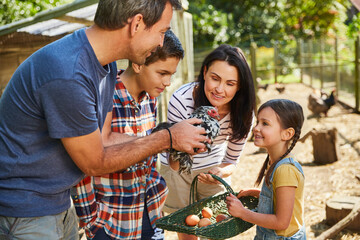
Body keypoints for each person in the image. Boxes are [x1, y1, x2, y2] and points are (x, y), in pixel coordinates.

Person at [0, 1, 210, 239]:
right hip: (25, 211)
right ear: (137, 24)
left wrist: (168, 139)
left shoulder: (104, 65)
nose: (162, 42)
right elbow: (94, 162)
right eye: (161, 32)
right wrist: (167, 138)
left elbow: (105, 137)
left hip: (57, 201)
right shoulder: (69, 73)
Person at [73, 30, 184, 240]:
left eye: (171, 74)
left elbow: (150, 151)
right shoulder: (104, 96)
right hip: (111, 222)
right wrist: (92, 223)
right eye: (162, 73)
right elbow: (83, 165)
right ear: (138, 64)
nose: (168, 82)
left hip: (150, 213)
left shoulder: (151, 98)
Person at [159, 44, 256, 240]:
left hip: (213, 166)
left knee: (216, 226)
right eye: (215, 78)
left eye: (230, 83)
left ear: (240, 86)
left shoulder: (243, 114)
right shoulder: (182, 100)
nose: (220, 89)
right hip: (178, 168)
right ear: (204, 72)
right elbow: (174, 162)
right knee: (187, 225)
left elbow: (232, 160)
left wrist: (220, 172)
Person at [226, 99, 306, 240]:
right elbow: (279, 198)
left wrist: (242, 212)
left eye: (265, 123)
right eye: (257, 122)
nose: (256, 128)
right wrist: (257, 193)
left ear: (287, 134)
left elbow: (281, 222)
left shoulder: (285, 170)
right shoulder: (274, 161)